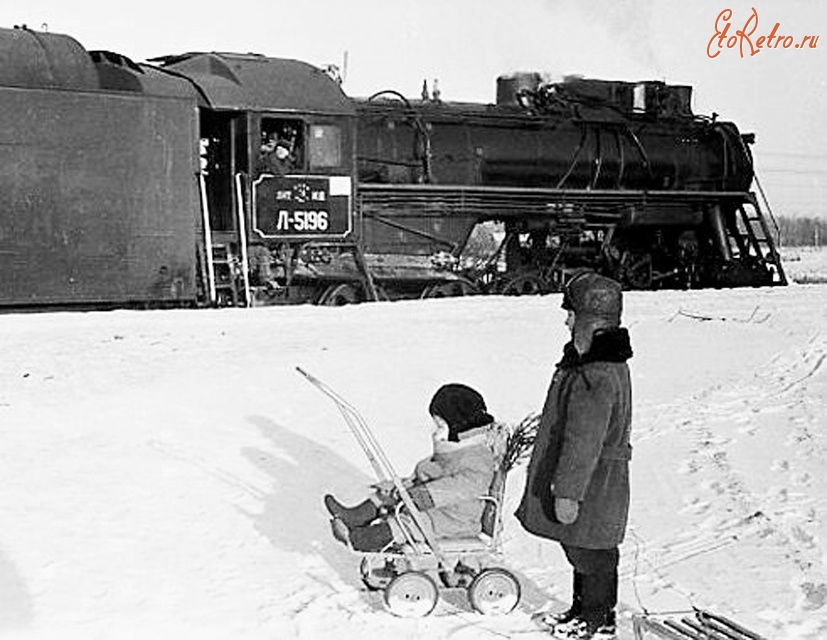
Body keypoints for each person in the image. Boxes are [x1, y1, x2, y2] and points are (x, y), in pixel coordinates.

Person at [515, 271, 633, 640]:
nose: (566, 321)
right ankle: (583, 610)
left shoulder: (596, 373)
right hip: (593, 476)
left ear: (591, 321)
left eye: (571, 314)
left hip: (593, 479)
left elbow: (584, 439)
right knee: (581, 545)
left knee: (593, 550)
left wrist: (568, 491)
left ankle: (597, 620)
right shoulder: (590, 365)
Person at [325, 383, 507, 552]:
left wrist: (420, 495)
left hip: (454, 520)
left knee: (408, 524)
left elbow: (458, 487)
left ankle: (358, 539)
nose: (435, 431)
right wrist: (404, 487)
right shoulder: (457, 451)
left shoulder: (477, 459)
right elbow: (435, 475)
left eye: (441, 425)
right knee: (389, 493)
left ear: (460, 426)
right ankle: (354, 517)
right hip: (438, 508)